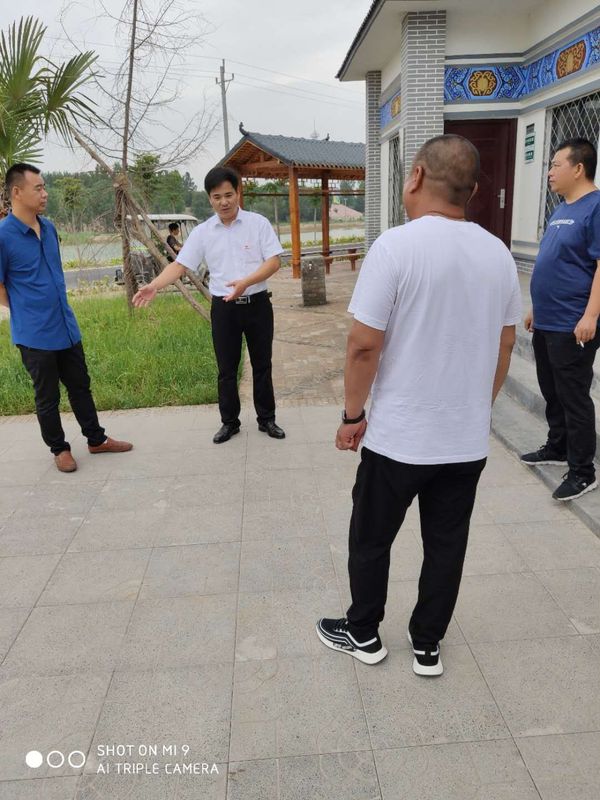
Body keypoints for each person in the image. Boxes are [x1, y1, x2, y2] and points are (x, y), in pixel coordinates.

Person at [316, 135, 521, 676]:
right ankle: (427, 644)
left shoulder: (395, 248)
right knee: (446, 543)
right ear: (471, 190)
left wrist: (352, 416)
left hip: (399, 439)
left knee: (371, 536)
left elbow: (363, 346)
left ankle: (363, 632)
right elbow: (505, 344)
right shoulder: (499, 255)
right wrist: (478, 407)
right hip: (464, 441)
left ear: (416, 177)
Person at [133, 166, 286, 443]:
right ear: (209, 199)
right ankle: (229, 422)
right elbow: (180, 265)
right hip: (225, 310)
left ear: (237, 193)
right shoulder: (203, 232)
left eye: (228, 195)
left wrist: (246, 282)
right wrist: (154, 285)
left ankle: (267, 419)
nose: (224, 202)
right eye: (217, 197)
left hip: (257, 305)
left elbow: (274, 262)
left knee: (262, 365)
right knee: (226, 369)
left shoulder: (258, 224)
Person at [0, 163, 132, 472]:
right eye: (38, 188)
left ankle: (96, 439)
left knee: (80, 386)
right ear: (17, 192)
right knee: (47, 396)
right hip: (34, 334)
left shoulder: (48, 228)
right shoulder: (3, 236)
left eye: (45, 187)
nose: (45, 193)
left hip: (65, 325)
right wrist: (25, 309)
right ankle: (59, 449)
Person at [521, 138, 600, 501]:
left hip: (573, 321)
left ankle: (583, 471)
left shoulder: (595, 207)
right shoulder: (562, 208)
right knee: (551, 389)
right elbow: (553, 260)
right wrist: (537, 307)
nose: (549, 172)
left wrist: (591, 315)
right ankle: (558, 447)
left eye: (555, 165)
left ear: (578, 168)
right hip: (548, 319)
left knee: (573, 395)